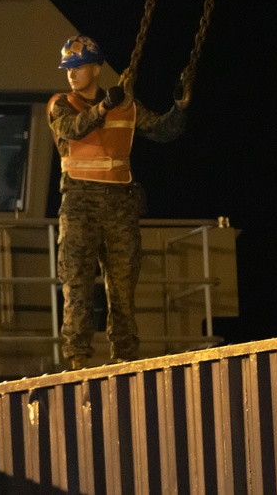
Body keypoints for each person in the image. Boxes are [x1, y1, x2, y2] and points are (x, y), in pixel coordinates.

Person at [48, 35, 188, 369]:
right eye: (68, 67)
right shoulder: (61, 104)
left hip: (120, 204)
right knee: (77, 285)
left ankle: (125, 355)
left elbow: (161, 130)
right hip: (79, 204)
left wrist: (180, 108)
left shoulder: (126, 104)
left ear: (96, 69)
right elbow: (74, 129)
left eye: (78, 67)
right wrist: (103, 106)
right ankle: (78, 357)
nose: (71, 74)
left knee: (123, 288)